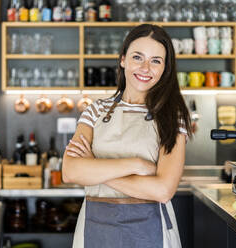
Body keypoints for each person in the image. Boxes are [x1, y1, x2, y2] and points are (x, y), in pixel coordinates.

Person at [62, 24, 192, 248]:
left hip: (152, 232)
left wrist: (94, 167)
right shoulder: (96, 111)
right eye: (137, 57)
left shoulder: (172, 116)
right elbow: (71, 171)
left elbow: (162, 190)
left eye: (156, 61)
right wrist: (137, 165)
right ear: (123, 59)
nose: (145, 67)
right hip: (95, 228)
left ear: (165, 68)